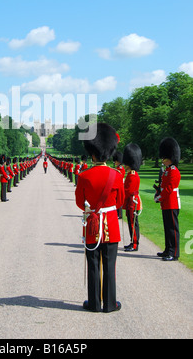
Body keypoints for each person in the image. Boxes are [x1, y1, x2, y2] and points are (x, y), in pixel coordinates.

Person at [75, 123, 124, 313]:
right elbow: (119, 202)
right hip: (110, 225)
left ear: (93, 153)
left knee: (93, 265)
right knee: (110, 266)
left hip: (92, 226)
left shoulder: (85, 176)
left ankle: (94, 303)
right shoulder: (116, 175)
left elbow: (80, 203)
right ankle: (110, 304)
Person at [155, 137, 181, 261]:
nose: (163, 160)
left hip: (172, 203)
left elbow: (169, 188)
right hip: (166, 203)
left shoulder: (174, 171)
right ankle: (167, 249)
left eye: (164, 158)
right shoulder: (167, 170)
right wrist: (158, 193)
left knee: (172, 229)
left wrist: (160, 197)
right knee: (167, 228)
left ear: (169, 157)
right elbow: (163, 186)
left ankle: (174, 252)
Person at [122, 143, 142, 252]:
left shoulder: (133, 175)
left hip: (132, 203)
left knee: (133, 224)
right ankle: (132, 242)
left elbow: (128, 190)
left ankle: (135, 244)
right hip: (131, 202)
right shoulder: (131, 174)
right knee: (131, 224)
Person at [113, 151, 125, 218]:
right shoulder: (118, 168)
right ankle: (117, 213)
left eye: (116, 161)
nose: (115, 162)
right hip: (117, 185)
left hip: (119, 185)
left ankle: (119, 215)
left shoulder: (120, 168)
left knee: (119, 200)